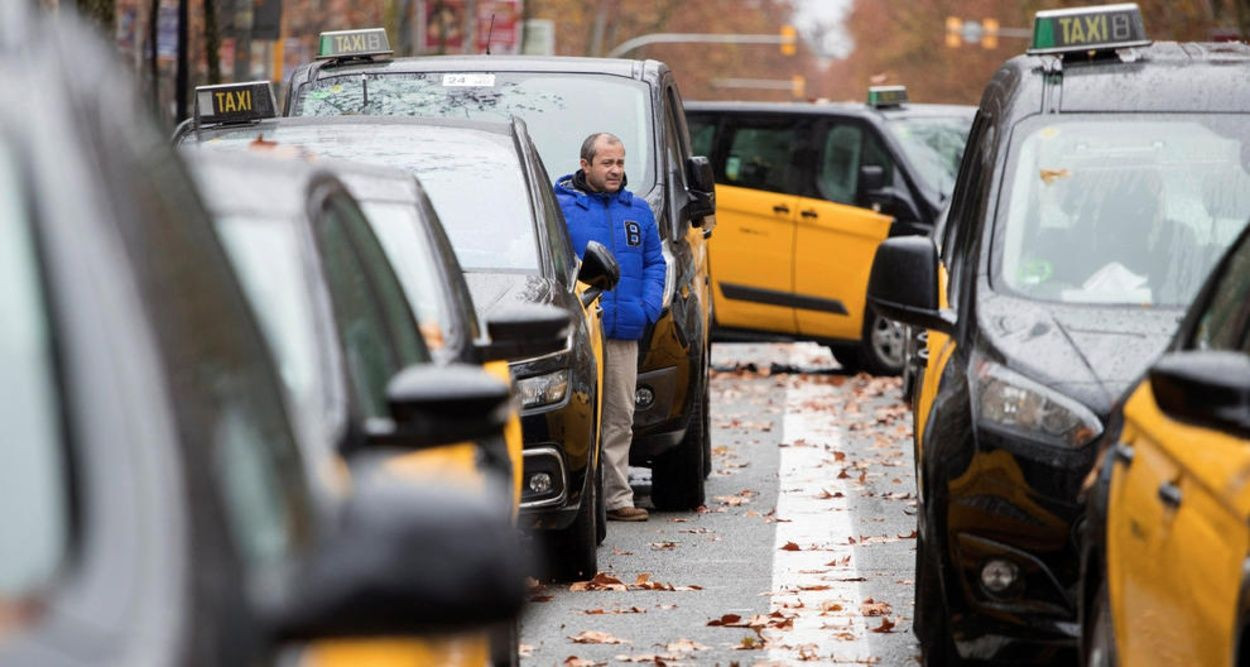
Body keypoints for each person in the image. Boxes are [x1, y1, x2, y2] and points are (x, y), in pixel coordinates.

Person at [555, 132, 666, 522]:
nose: (616, 170)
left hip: (623, 330)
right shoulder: (560, 208)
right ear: (585, 165)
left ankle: (617, 498)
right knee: (576, 414)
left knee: (620, 415)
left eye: (620, 162)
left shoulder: (638, 211)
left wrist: (648, 306)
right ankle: (575, 497)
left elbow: (655, 263)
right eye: (607, 163)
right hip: (580, 330)